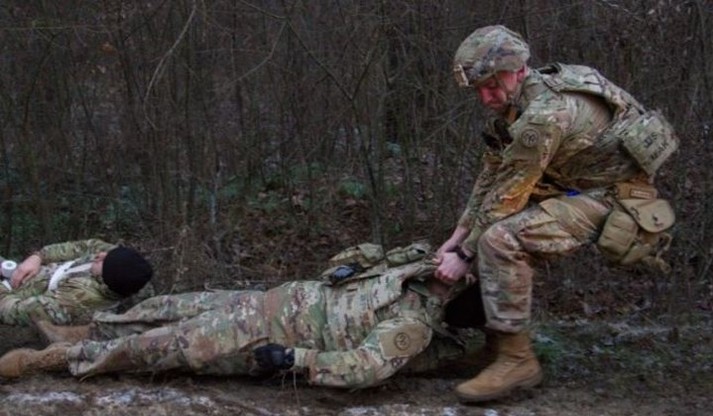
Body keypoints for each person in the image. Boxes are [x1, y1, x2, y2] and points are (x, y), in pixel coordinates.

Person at [435, 25, 678, 402]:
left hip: (617, 197)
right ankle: (497, 347)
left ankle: (517, 360)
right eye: (478, 89)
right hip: (577, 185)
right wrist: (458, 235)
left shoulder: (544, 114)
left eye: (492, 85)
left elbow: (508, 194)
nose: (485, 97)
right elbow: (492, 175)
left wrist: (464, 255)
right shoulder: (517, 104)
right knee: (485, 233)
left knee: (500, 239)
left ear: (518, 70)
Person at [0, 242, 482, 388]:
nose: (451, 265)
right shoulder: (419, 267)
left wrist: (294, 358)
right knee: (163, 308)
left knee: (159, 346)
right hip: (267, 299)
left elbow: (366, 366)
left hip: (262, 334)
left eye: (459, 270)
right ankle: (86, 330)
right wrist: (355, 261)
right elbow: (361, 257)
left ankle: (56, 359)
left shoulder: (414, 326)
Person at [0, 239, 154, 326]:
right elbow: (79, 247)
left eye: (104, 261)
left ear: (106, 278)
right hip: (24, 272)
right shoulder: (118, 260)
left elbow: (12, 312)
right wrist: (38, 257)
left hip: (10, 292)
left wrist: (4, 286)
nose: (100, 255)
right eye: (108, 253)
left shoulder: (77, 300)